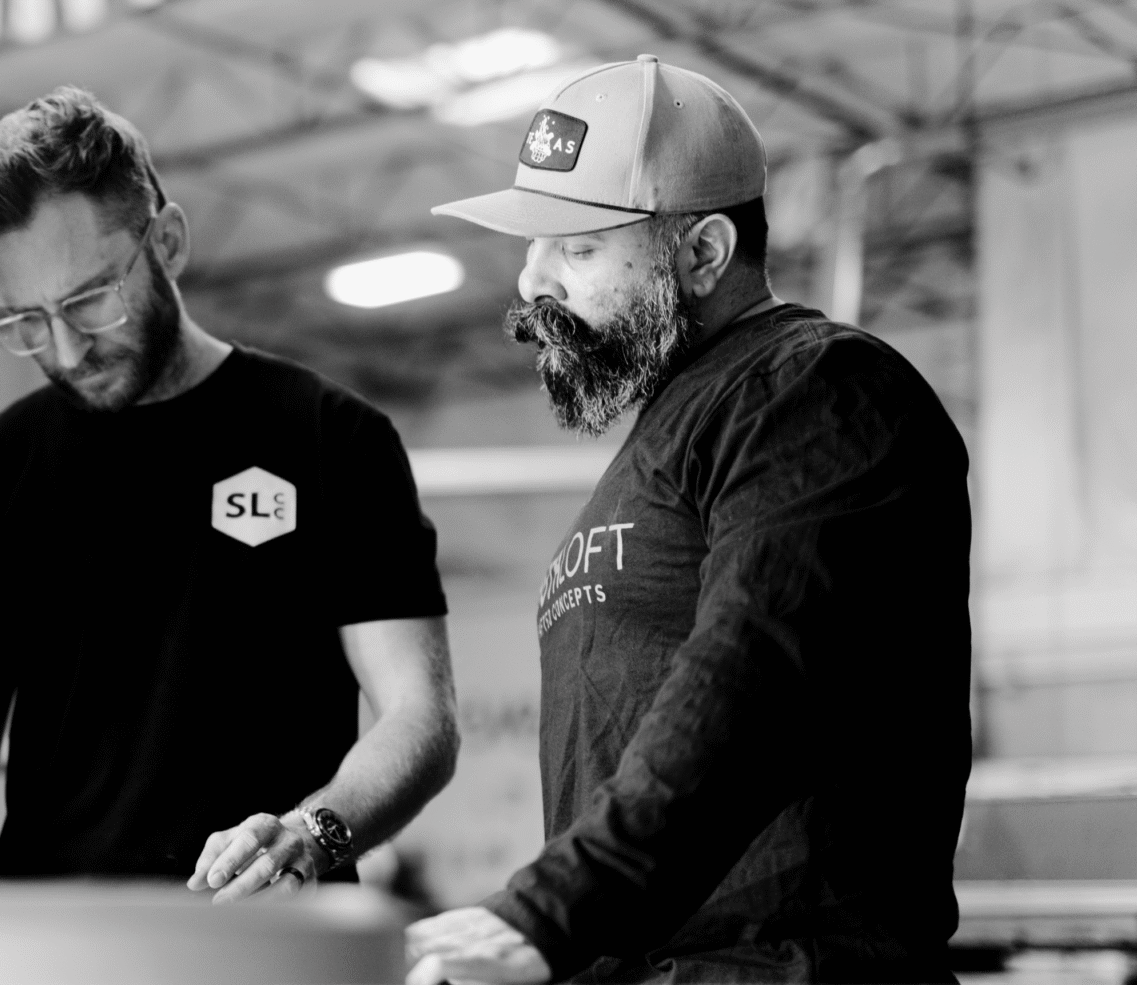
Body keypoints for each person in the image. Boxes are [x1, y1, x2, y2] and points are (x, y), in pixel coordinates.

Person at [405, 55, 970, 983]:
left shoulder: (815, 391)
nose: (533, 280)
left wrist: (546, 912)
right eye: (534, 244)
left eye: (577, 248)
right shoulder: (664, 440)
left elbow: (756, 672)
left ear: (703, 253)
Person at [0, 87, 459, 902]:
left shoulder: (331, 439)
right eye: (24, 319)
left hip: (268, 939)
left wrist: (311, 833)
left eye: (91, 300)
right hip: (64, 951)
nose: (64, 347)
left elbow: (420, 717)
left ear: (166, 241)